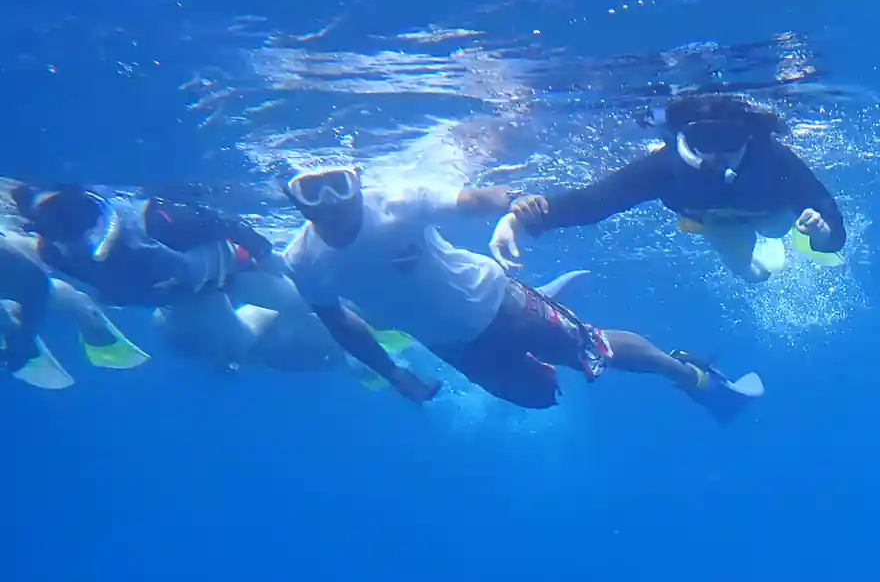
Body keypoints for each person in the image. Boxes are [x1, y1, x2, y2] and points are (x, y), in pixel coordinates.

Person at [282, 165, 760, 415]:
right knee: (538, 397)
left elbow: (473, 198)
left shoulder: (397, 203)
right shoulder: (302, 261)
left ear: (357, 182)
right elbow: (337, 323)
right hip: (454, 346)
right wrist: (392, 373)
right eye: (311, 191)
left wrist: (510, 205)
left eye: (339, 185)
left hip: (502, 304)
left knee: (596, 350)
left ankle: (692, 375)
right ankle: (558, 318)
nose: (331, 202)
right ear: (293, 200)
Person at [490, 93, 847, 283]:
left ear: (750, 134)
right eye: (705, 139)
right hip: (716, 223)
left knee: (775, 228)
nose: (718, 153)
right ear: (685, 137)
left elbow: (830, 218)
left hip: (771, 215)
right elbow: (594, 203)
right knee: (752, 277)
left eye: (728, 138)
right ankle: (755, 260)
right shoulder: (665, 168)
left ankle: (773, 239)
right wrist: (519, 219)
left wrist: (821, 234)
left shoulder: (774, 159)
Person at [11, 182, 318, 369]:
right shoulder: (53, 254)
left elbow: (223, 221)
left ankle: (327, 321)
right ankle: (200, 326)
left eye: (65, 216)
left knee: (299, 304)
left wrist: (265, 253)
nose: (66, 231)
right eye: (49, 224)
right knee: (237, 347)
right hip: (187, 296)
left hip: (235, 271)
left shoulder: (156, 219)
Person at [0, 235, 144, 388]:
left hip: (31, 265)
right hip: (23, 271)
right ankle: (14, 327)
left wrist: (25, 333)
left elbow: (37, 283)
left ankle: (83, 308)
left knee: (45, 294)